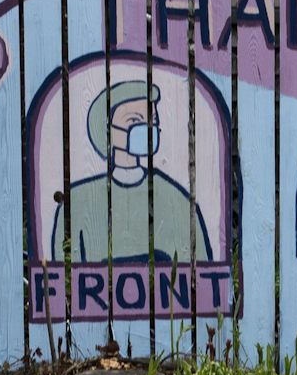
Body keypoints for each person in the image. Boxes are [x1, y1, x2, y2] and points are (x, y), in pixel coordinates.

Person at [55, 80, 211, 263]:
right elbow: (56, 268)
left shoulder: (175, 198)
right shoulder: (78, 199)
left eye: (151, 120)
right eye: (134, 120)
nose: (146, 129)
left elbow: (203, 266)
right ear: (108, 129)